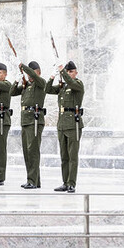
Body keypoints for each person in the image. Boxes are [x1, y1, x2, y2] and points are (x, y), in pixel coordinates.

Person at [47, 61, 84, 192]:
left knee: (72, 156)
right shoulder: (63, 87)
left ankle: (71, 183)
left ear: (76, 73)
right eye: (67, 71)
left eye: (71, 71)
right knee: (64, 156)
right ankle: (65, 182)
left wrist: (62, 71)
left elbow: (72, 83)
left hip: (73, 124)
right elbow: (47, 89)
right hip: (62, 124)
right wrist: (52, 76)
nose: (69, 74)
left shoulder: (78, 84)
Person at [13, 61, 50, 189]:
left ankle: (32, 181)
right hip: (25, 120)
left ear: (38, 73)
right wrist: (18, 80)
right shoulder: (27, 85)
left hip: (34, 121)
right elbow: (12, 92)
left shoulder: (41, 83)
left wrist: (23, 67)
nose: (29, 76)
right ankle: (34, 180)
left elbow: (34, 77)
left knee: (33, 151)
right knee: (26, 151)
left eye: (32, 73)